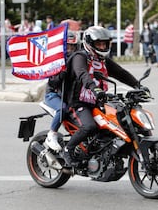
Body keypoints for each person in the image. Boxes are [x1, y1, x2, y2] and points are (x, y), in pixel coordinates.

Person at [62, 26, 140, 167]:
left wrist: (138, 85)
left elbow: (121, 73)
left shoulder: (103, 60)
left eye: (105, 44)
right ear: (90, 43)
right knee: (89, 126)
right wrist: (94, 88)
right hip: (79, 103)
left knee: (117, 123)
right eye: (99, 44)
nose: (102, 46)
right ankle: (68, 149)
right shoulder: (80, 57)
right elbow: (82, 74)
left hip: (98, 102)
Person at [44, 31, 80, 151]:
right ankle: (52, 134)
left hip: (69, 96)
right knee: (62, 108)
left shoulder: (78, 61)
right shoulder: (57, 61)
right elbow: (52, 83)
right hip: (53, 94)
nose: (69, 49)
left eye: (72, 46)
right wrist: (61, 74)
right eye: (67, 46)